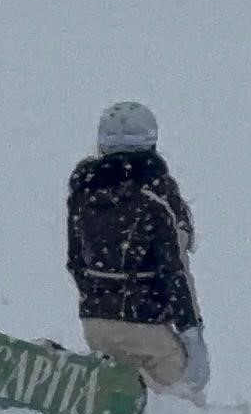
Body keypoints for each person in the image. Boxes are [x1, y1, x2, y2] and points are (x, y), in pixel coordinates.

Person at [67, 101, 207, 397]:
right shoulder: (156, 198)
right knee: (179, 402)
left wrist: (99, 298)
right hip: (147, 326)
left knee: (119, 398)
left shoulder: (82, 195)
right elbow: (175, 271)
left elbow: (76, 262)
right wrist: (192, 335)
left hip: (95, 323)